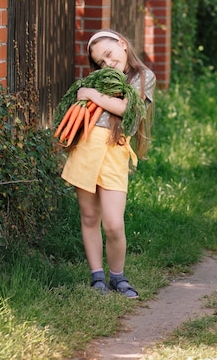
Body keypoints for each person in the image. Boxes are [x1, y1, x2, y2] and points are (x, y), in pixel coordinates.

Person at [61, 29, 156, 298]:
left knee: (113, 224)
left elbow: (128, 109)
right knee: (90, 216)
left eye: (109, 55)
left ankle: (118, 277)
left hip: (116, 150)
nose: (108, 63)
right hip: (86, 148)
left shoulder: (143, 77)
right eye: (100, 62)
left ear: (123, 45)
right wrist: (88, 94)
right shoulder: (97, 80)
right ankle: (97, 277)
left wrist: (94, 95)